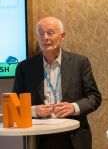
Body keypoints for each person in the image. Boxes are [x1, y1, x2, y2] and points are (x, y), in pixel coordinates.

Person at [12, 17, 102, 149]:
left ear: (62, 36)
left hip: (74, 136)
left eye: (50, 33)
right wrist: (34, 111)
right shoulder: (24, 68)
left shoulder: (80, 63)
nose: (45, 38)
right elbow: (15, 104)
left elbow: (94, 97)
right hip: (39, 137)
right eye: (41, 34)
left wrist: (74, 107)